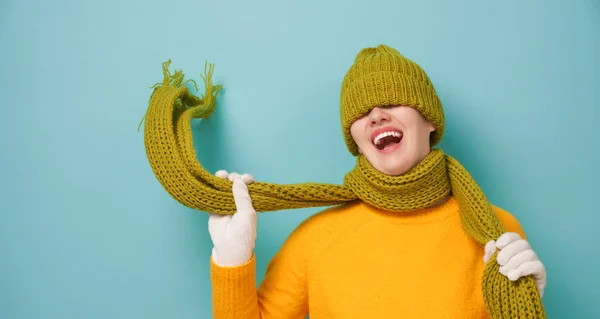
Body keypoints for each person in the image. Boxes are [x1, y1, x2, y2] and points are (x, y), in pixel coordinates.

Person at [206, 45, 547, 318]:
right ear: (355, 139)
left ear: (430, 120)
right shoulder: (314, 240)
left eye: (393, 101)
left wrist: (522, 302)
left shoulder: (496, 234)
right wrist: (231, 258)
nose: (377, 115)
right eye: (362, 111)